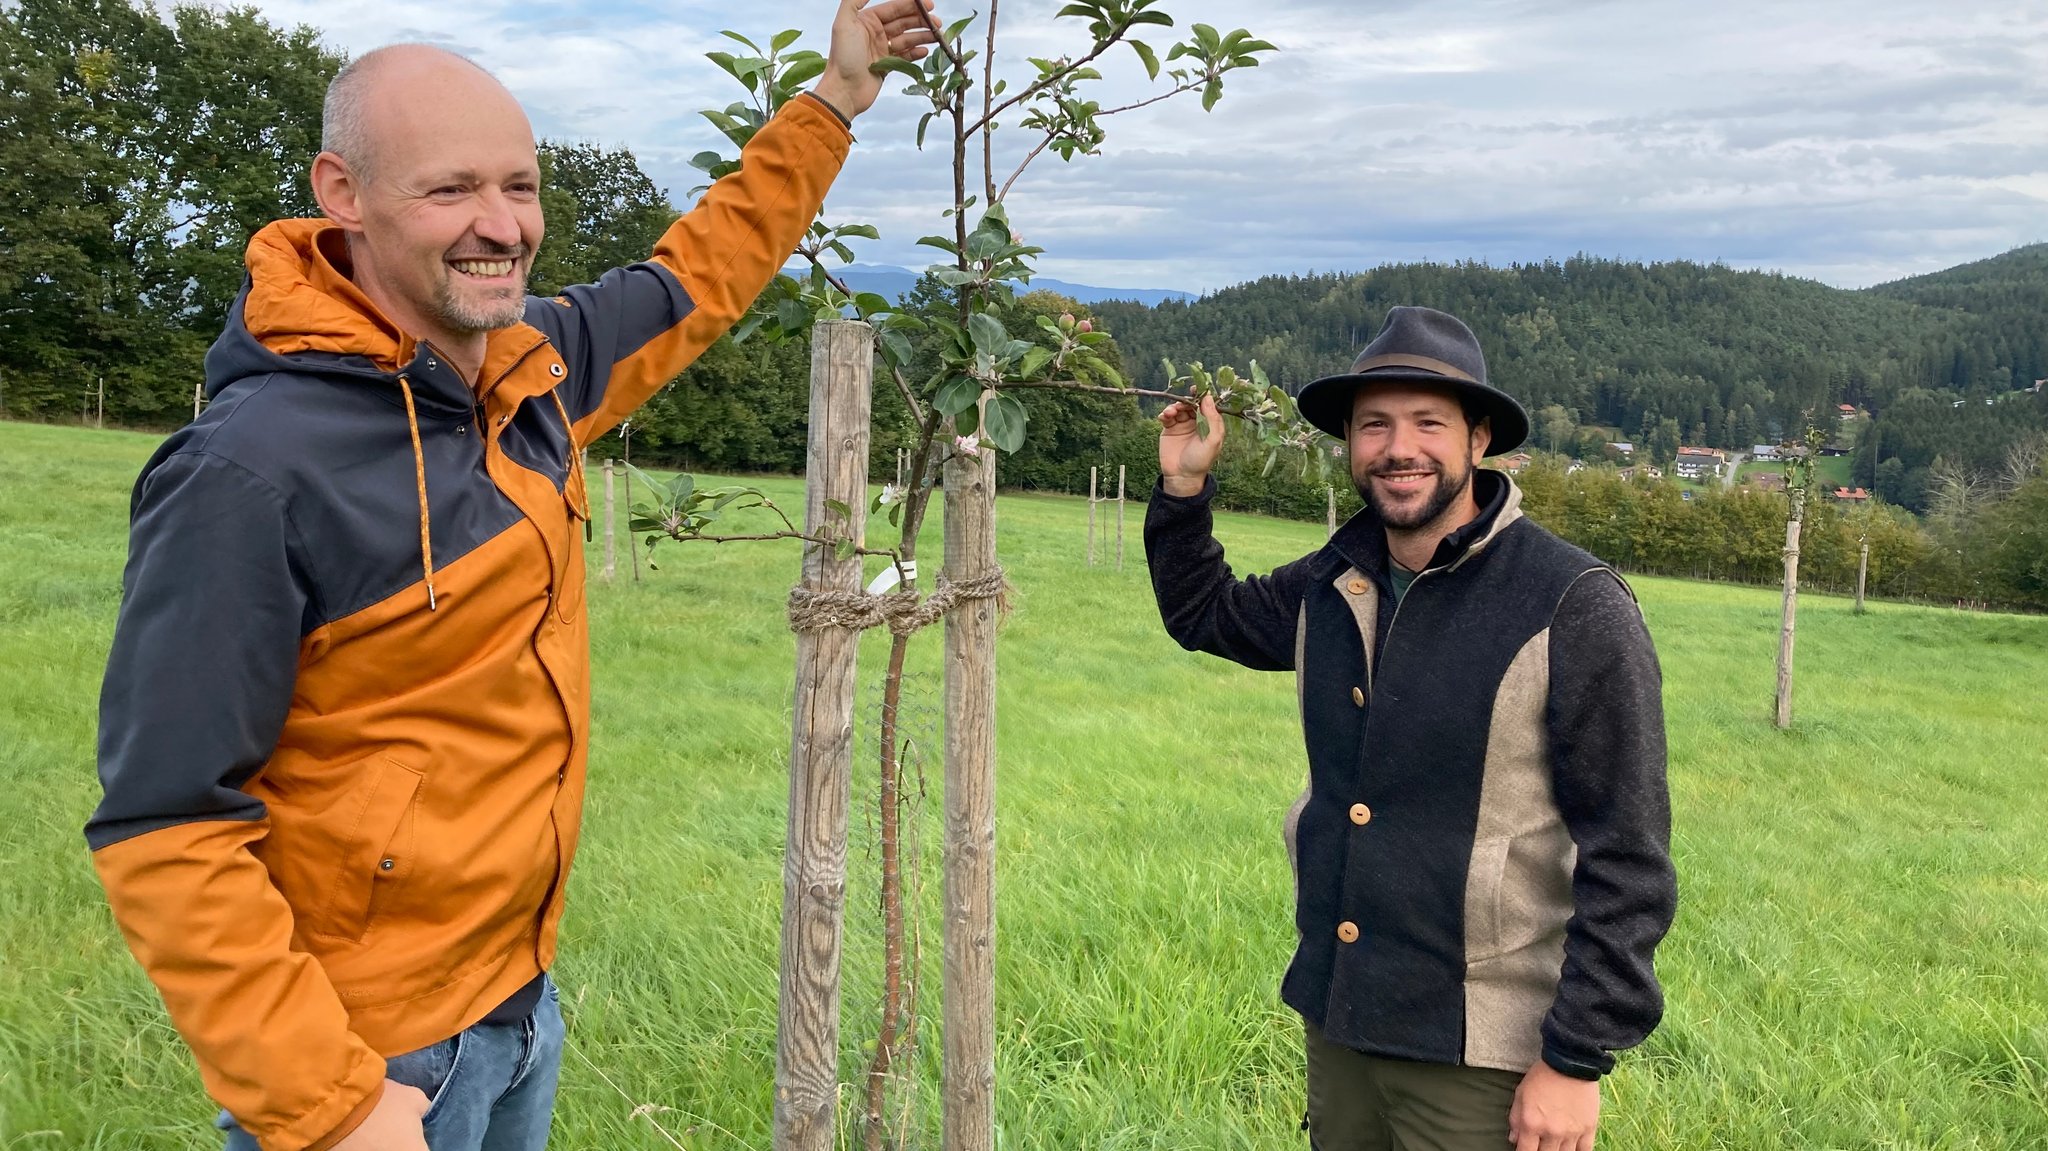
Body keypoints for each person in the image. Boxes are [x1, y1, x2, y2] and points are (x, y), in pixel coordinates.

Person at [83, 4, 940, 1149]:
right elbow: (166, 823)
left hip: (519, 1008)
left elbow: (703, 271)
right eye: (450, 191)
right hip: (368, 1056)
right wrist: (329, 1103)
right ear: (341, 191)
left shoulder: (532, 373)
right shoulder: (250, 471)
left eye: (520, 186)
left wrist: (834, 99)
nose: (500, 225)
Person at [1144, 306, 1677, 1151]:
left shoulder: (1572, 604)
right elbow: (1206, 613)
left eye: (1429, 422)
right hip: (1342, 1016)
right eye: (1375, 425)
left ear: (1480, 438)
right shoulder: (1336, 579)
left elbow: (1630, 853)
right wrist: (1183, 487)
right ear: (1350, 445)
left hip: (1485, 1051)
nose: (1400, 448)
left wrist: (1575, 1060)